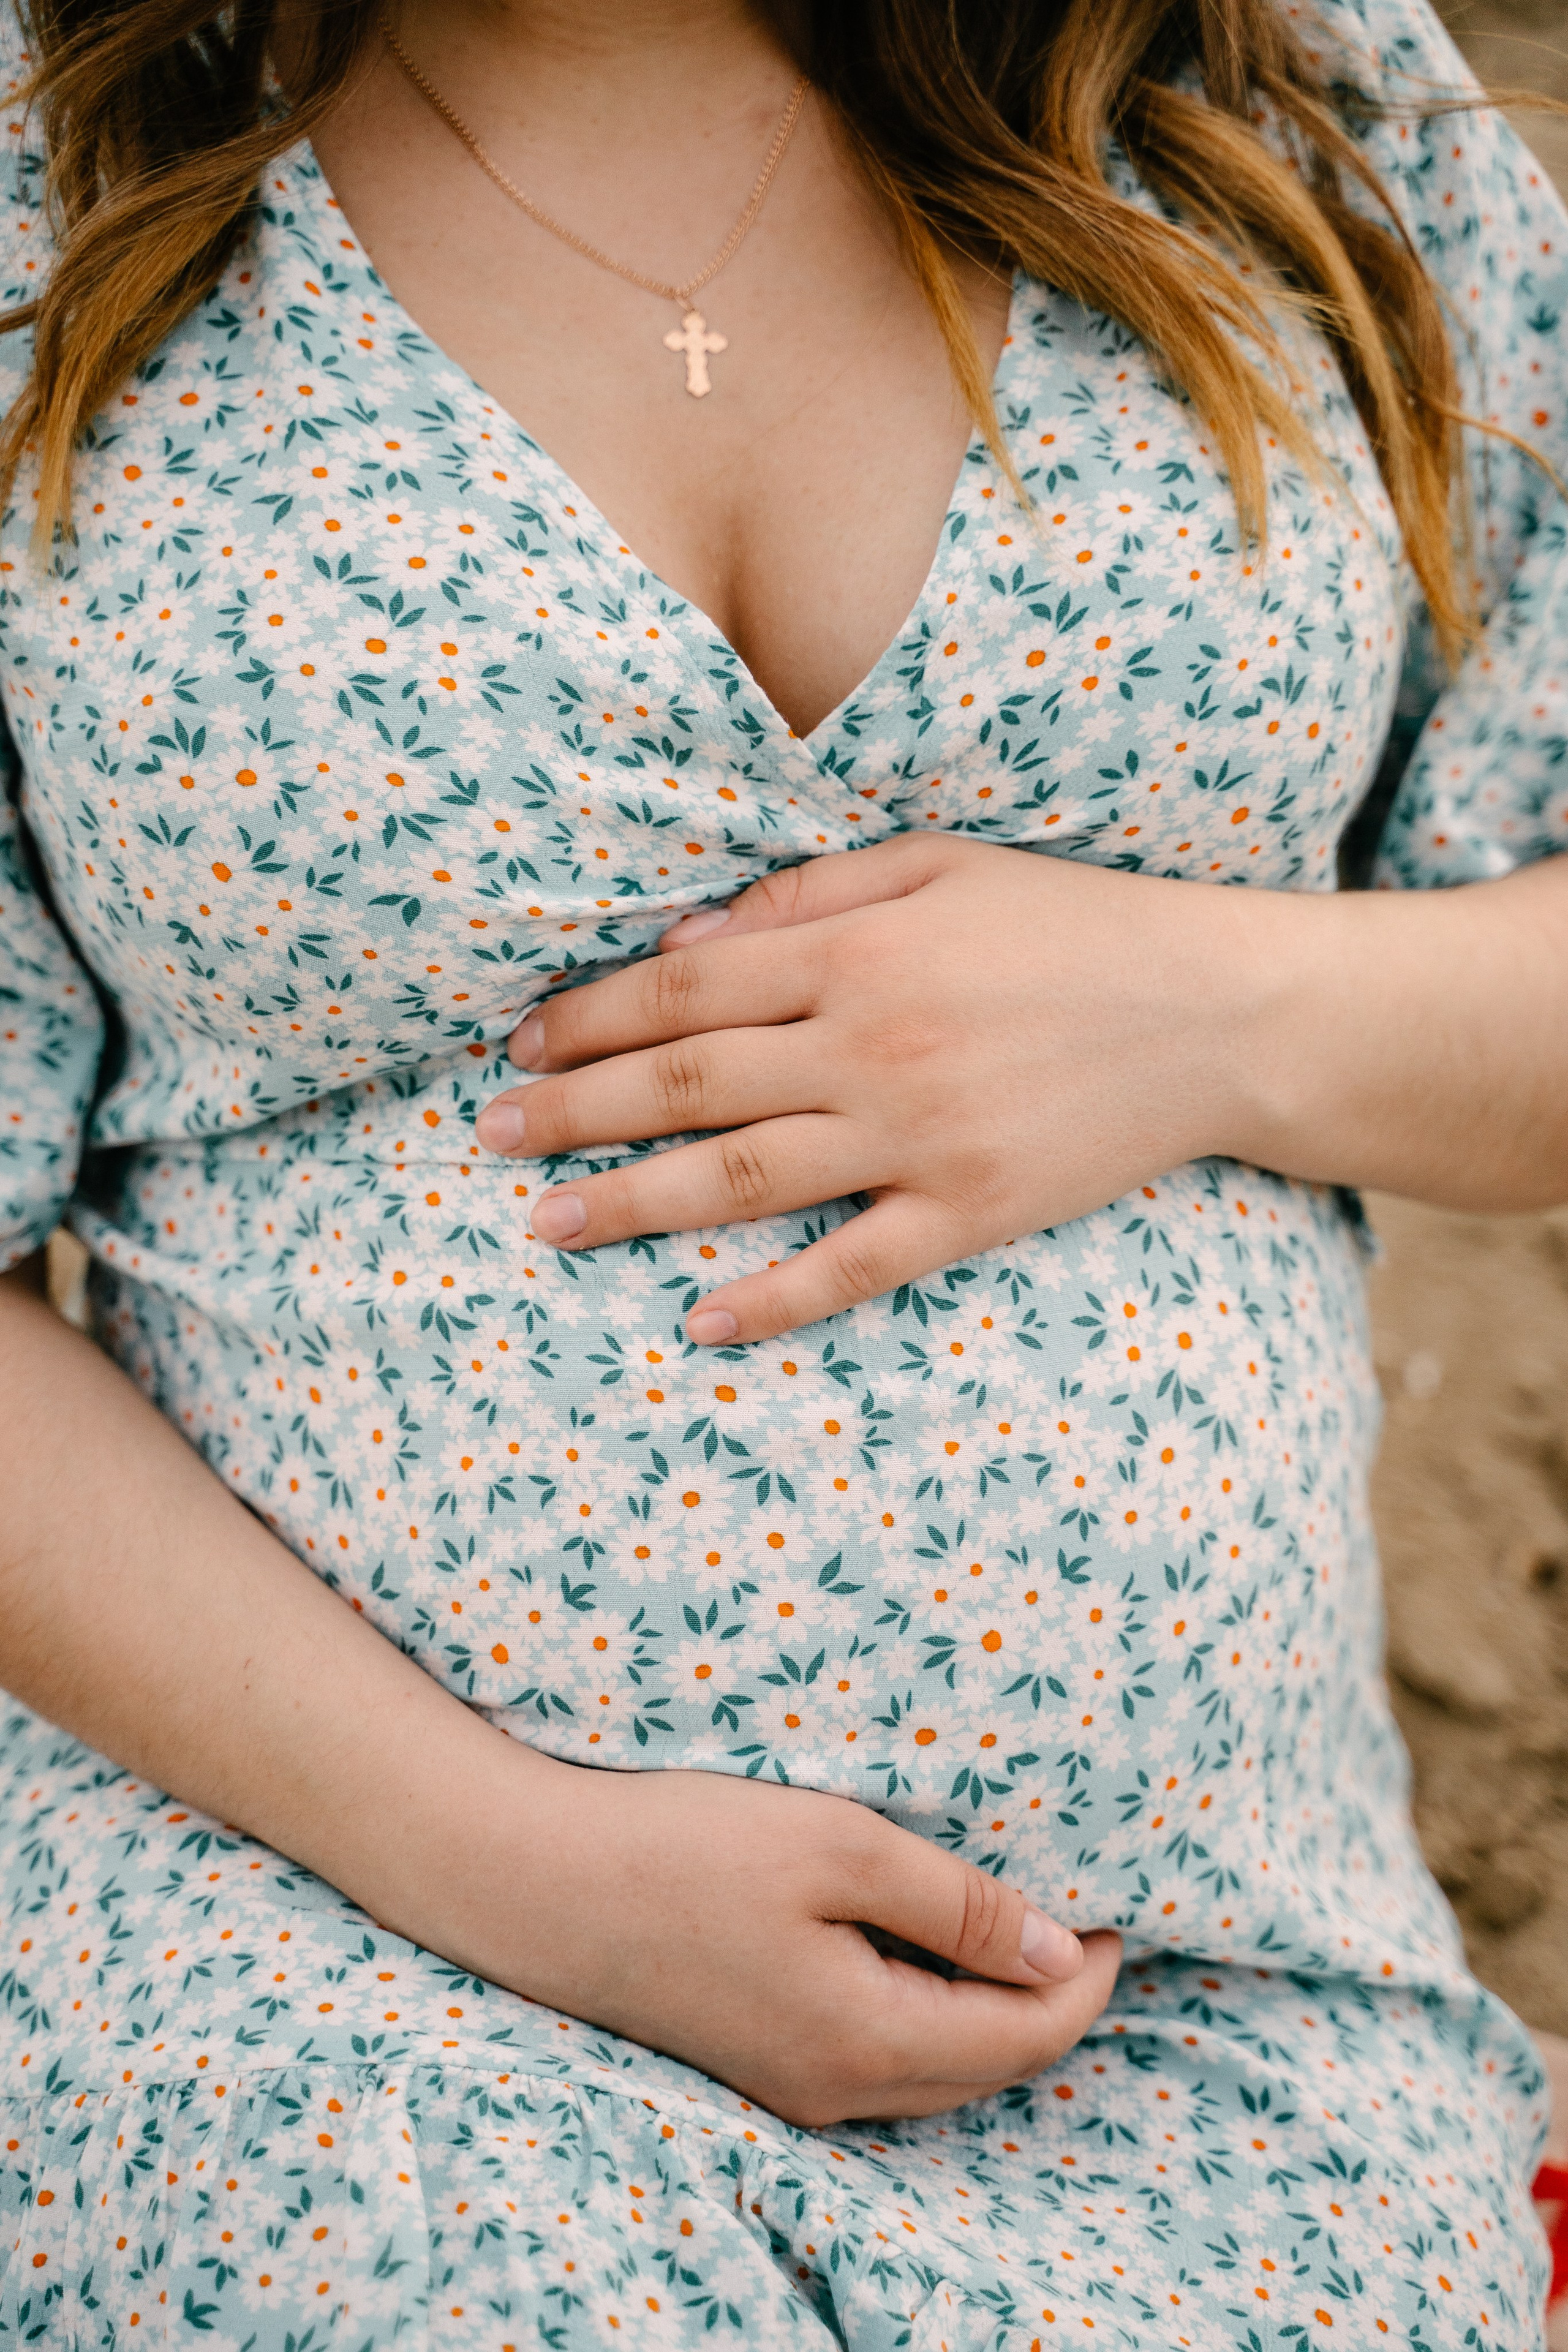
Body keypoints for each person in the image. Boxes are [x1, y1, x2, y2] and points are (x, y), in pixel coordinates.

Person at [1, 0, 1564, 2339]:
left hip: (1212, 1989)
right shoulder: (58, 165)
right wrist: (514, 1864)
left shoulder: (1282, 96)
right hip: (314, 1941)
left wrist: (1212, 1010)